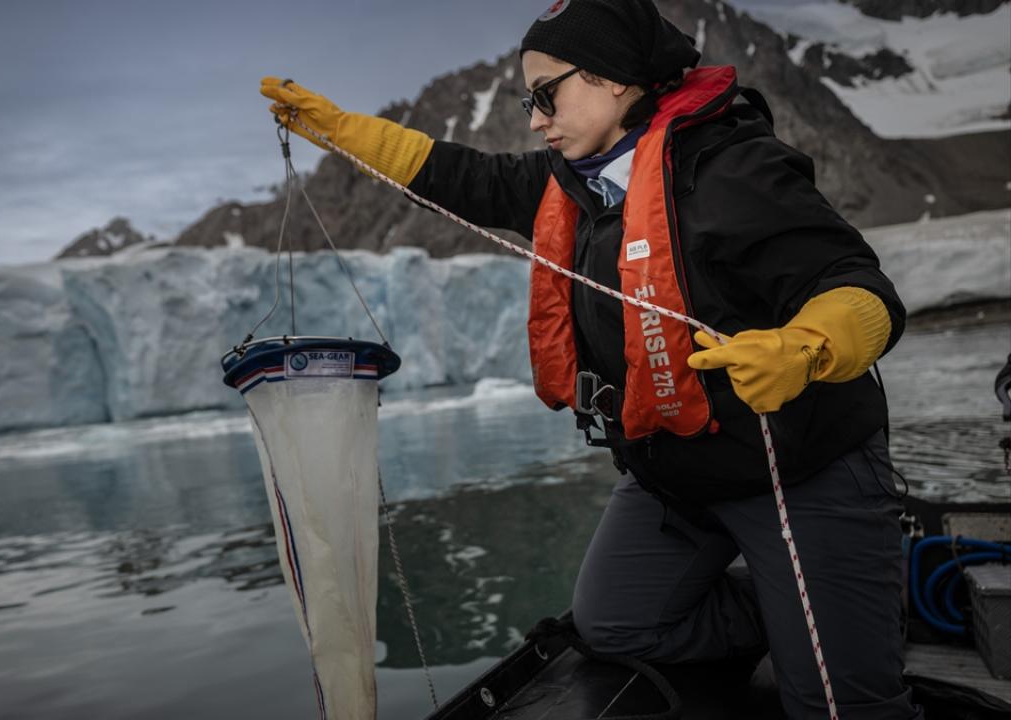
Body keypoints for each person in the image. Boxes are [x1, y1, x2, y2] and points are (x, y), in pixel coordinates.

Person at [260, 0, 920, 717]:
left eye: (546, 94)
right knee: (616, 624)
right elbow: (457, 175)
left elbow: (861, 289)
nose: (536, 117)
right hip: (679, 475)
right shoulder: (569, 183)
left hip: (801, 471)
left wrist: (809, 347)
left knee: (840, 705)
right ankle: (796, 611)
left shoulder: (735, 171)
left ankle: (840, 611)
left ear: (612, 79)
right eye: (528, 98)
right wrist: (337, 130)